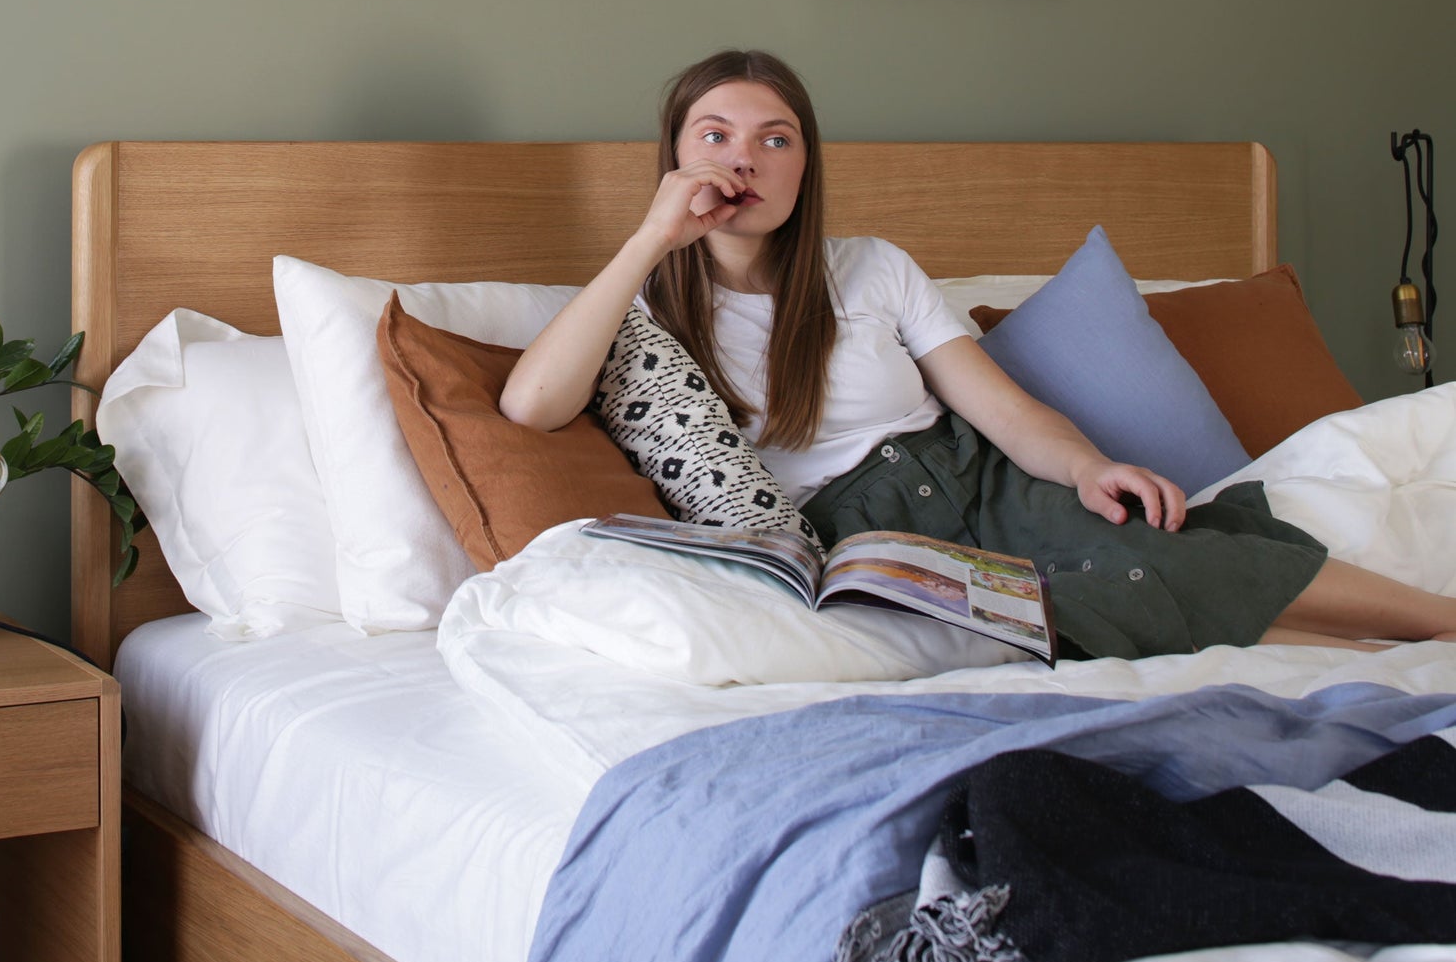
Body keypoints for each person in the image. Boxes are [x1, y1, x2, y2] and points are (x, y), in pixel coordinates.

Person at [500, 49, 1456, 660]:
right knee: (1103, 596)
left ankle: (1439, 628)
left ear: (804, 165)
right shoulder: (642, 307)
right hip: (867, 533)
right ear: (676, 158)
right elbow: (530, 405)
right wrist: (650, 238)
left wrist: (1088, 466)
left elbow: (1000, 408)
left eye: (774, 138)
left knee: (1160, 556)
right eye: (715, 135)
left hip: (975, 475)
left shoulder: (871, 266)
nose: (743, 158)